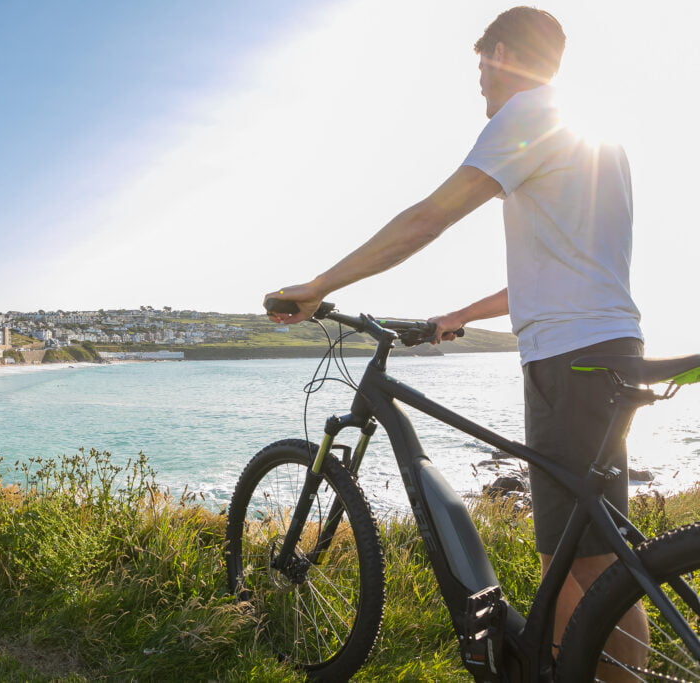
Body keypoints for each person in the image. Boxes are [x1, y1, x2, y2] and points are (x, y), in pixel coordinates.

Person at [266, 6, 645, 676]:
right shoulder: (599, 141)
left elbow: (427, 218)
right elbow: (560, 267)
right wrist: (457, 316)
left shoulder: (527, 116)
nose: (480, 83)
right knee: (592, 554)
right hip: (608, 344)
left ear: (502, 55)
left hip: (568, 360)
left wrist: (318, 282)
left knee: (582, 562)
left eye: (481, 66)